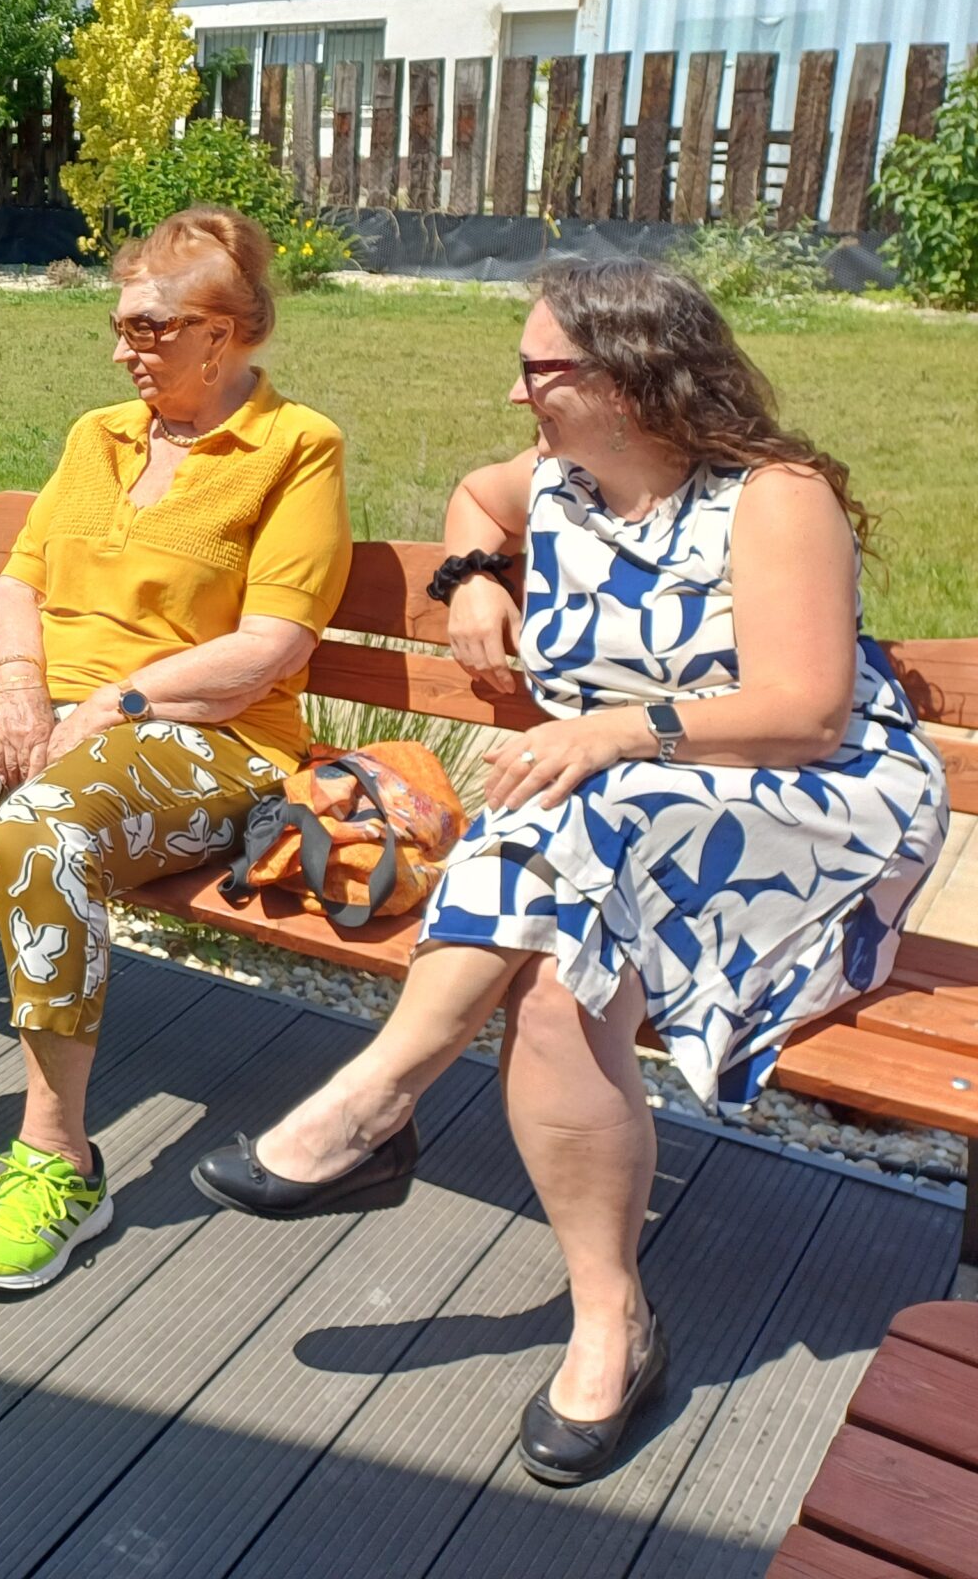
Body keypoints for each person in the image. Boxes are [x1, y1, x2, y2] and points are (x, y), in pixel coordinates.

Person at [191, 260, 950, 1486]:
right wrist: (469, 578)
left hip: (811, 805)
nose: (515, 392)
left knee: (569, 798)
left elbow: (807, 713)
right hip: (619, 811)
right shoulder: (560, 483)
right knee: (553, 992)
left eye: (538, 369)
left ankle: (374, 1100)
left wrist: (612, 731)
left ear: (630, 377)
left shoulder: (772, 499)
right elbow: (472, 497)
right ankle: (613, 1323)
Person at [0, 207, 351, 1292]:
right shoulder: (98, 436)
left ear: (222, 332)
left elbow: (273, 646)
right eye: (120, 326)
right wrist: (19, 688)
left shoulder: (296, 448)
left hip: (210, 734)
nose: (122, 351)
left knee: (41, 831)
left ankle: (61, 1162)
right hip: (51, 704)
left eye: (148, 329)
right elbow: (19, 584)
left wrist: (116, 702)